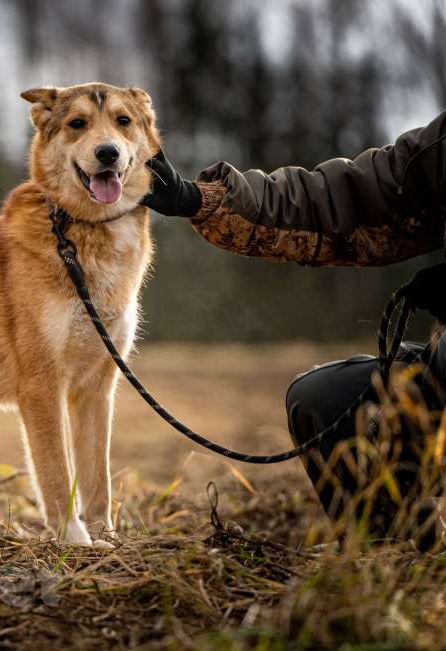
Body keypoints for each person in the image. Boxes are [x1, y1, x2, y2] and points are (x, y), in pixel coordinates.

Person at [141, 110, 446, 546]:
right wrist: (196, 199)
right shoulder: (439, 150)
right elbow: (345, 198)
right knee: (327, 400)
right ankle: (399, 559)